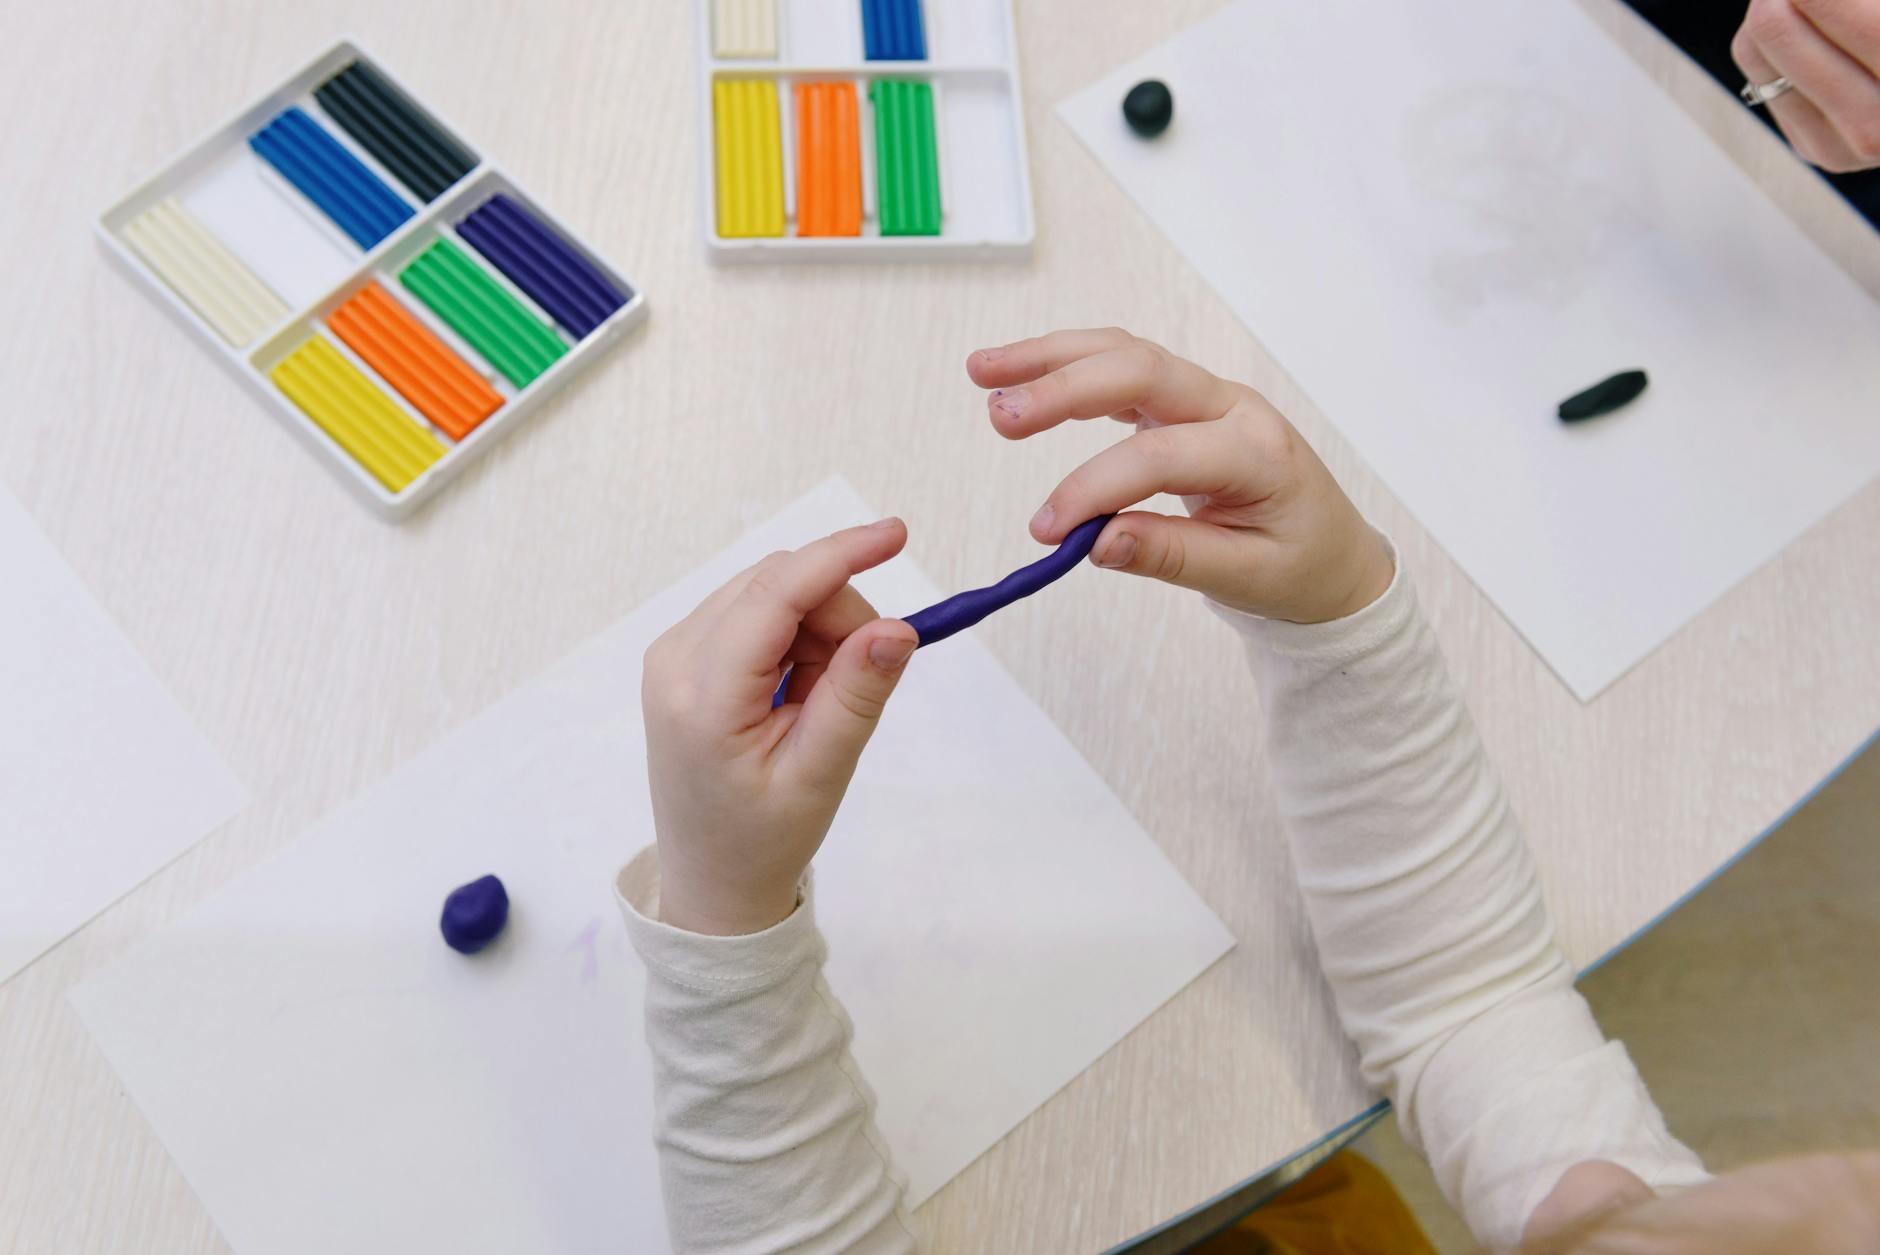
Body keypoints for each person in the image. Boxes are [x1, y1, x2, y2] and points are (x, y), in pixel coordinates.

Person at [622, 329, 1880, 1254]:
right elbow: (1469, 1004)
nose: (1606, 1191)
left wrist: (721, 915)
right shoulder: (1632, 1218)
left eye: (1598, 1231)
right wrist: (1343, 619)